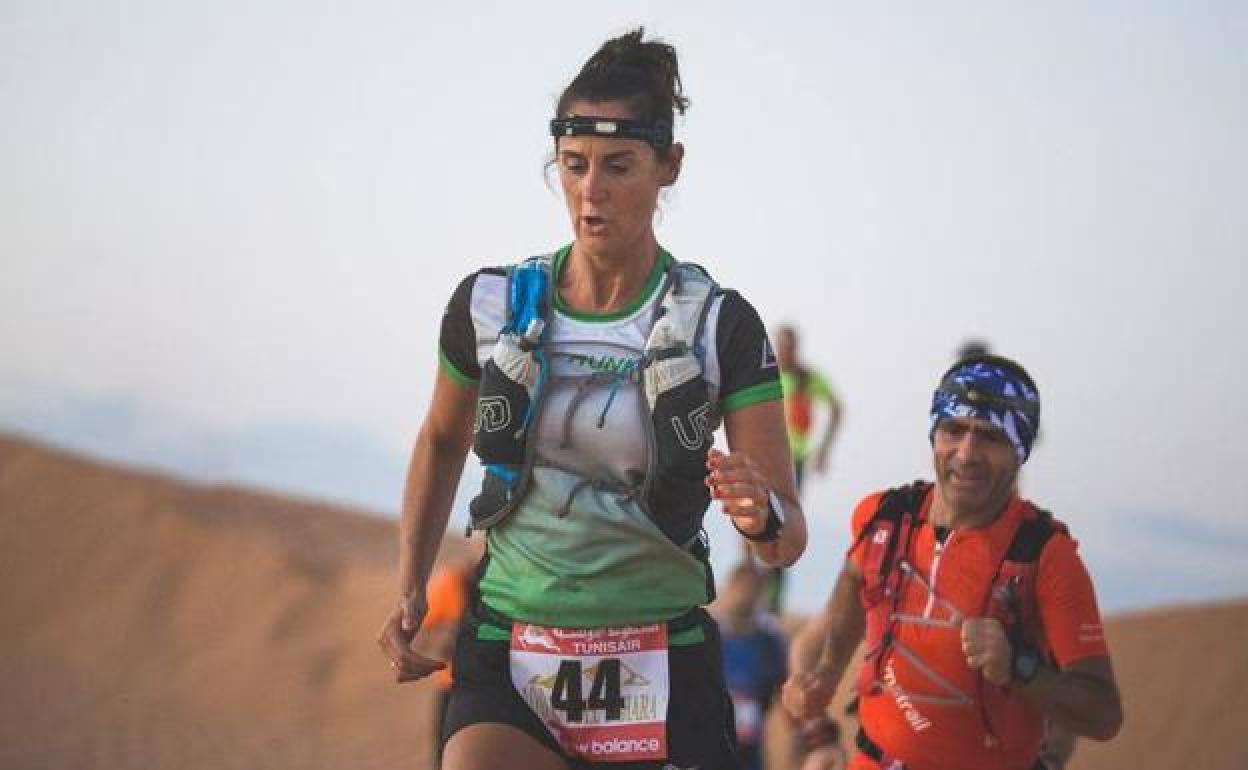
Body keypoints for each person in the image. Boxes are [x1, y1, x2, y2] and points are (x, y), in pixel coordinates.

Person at [377, 28, 806, 770]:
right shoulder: (487, 305)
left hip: (661, 656)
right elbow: (443, 441)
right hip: (512, 647)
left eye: (618, 167)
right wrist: (412, 582)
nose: (590, 191)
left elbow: (784, 541)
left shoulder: (720, 324)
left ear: (669, 165)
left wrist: (760, 512)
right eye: (573, 167)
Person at [782, 354, 1122, 770]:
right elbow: (852, 589)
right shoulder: (882, 518)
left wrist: (1020, 667)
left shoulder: (1047, 556)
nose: (967, 452)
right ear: (934, 434)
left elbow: (1103, 714)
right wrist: (827, 676)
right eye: (954, 430)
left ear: (1020, 451)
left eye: (990, 437)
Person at [712, 563, 788, 770]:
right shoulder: (708, 638)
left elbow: (785, 693)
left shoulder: (769, 642)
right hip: (709, 751)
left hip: (750, 755)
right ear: (728, 587)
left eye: (753, 588)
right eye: (741, 587)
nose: (745, 594)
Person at [775, 324, 842, 491]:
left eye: (789, 347)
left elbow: (836, 409)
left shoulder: (808, 378)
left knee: (789, 511)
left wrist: (824, 448)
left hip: (795, 458)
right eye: (781, 346)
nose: (785, 352)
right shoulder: (768, 375)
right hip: (769, 453)